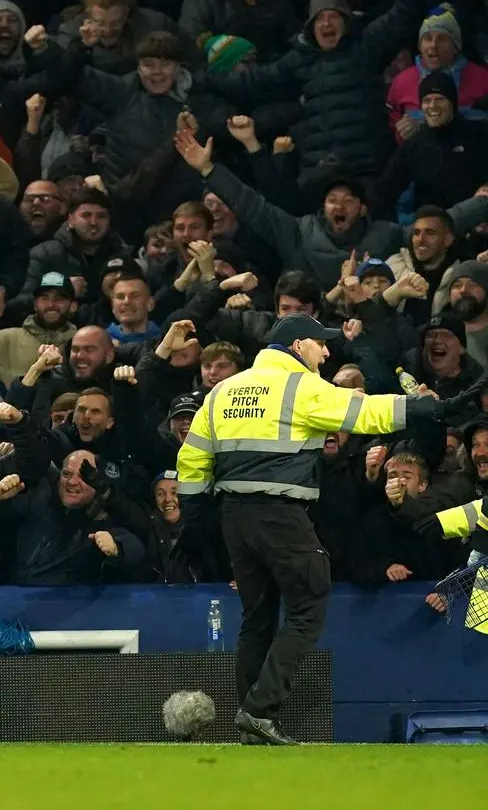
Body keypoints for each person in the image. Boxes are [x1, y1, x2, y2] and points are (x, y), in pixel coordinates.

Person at [175, 314, 465, 744]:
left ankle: (252, 722)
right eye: (319, 343)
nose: (326, 352)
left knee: (257, 619)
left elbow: (192, 459)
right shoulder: (297, 385)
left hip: (233, 516)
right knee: (309, 604)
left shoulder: (222, 391)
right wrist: (423, 408)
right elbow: (361, 413)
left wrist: (199, 512)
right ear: (296, 346)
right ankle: (259, 710)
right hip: (281, 514)